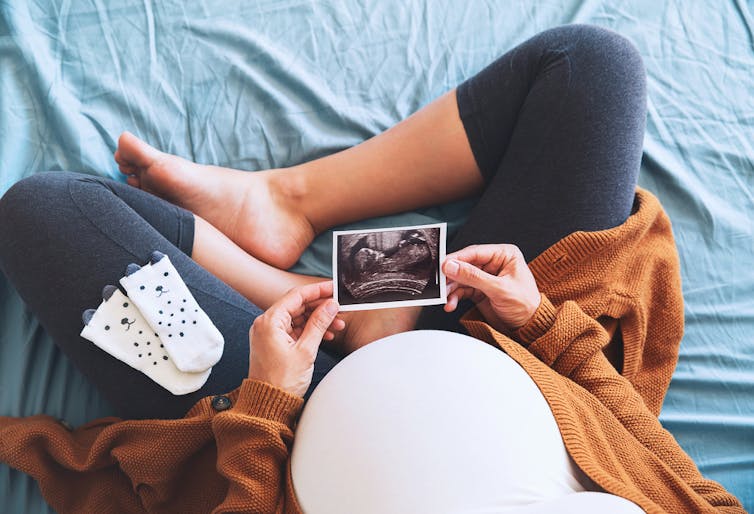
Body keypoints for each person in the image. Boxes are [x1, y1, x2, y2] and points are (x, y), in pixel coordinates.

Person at [0, 24, 744, 513]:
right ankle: (295, 206)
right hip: (510, 353)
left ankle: (350, 312)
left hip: (287, 428)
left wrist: (265, 409)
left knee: (47, 214)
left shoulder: (272, 419)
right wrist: (546, 326)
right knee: (590, 69)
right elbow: (668, 476)